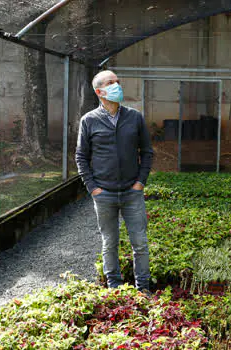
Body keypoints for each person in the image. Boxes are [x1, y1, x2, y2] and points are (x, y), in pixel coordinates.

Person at [75, 70, 154, 293]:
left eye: (118, 81)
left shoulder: (134, 117)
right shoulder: (89, 120)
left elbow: (147, 151)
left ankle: (143, 289)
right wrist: (93, 188)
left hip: (132, 192)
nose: (117, 85)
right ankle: (115, 288)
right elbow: (81, 156)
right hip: (104, 194)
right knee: (109, 243)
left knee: (140, 244)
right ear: (100, 92)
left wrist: (140, 182)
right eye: (111, 83)